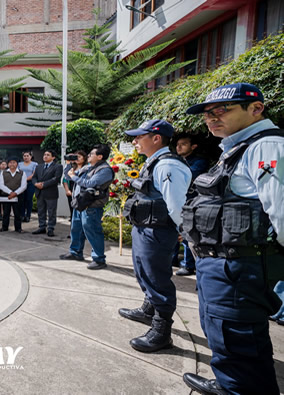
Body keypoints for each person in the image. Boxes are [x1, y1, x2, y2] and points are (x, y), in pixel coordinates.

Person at [180, 83, 284, 395]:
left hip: (240, 267)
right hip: (223, 266)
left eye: (222, 110)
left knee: (239, 340)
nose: (211, 118)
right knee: (224, 335)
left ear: (256, 109)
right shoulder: (237, 148)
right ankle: (229, 384)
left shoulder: (267, 147)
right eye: (208, 114)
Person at [118, 120, 192, 353]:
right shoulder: (155, 162)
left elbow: (177, 205)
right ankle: (148, 309)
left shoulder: (168, 166)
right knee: (144, 272)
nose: (134, 142)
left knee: (157, 278)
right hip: (146, 229)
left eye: (139, 137)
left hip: (157, 231)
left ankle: (161, 332)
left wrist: (184, 233)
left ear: (156, 138)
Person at [59, 144, 114, 270]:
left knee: (93, 232)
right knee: (76, 229)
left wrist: (74, 177)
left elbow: (91, 184)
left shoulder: (104, 170)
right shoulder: (88, 167)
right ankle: (75, 252)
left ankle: (99, 259)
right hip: (80, 203)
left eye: (91, 154)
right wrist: (69, 164)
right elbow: (69, 176)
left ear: (100, 156)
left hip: (92, 205)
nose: (88, 155)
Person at [171, 134, 209, 276]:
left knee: (187, 233)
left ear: (193, 147)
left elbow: (187, 176)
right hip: (177, 200)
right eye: (178, 144)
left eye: (183, 144)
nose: (179, 147)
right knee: (174, 231)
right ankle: (172, 259)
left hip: (191, 202)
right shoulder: (176, 160)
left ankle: (188, 265)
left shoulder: (199, 161)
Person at [31, 149, 63, 237]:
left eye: (48, 155)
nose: (45, 156)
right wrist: (36, 184)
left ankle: (50, 228)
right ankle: (42, 227)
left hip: (50, 193)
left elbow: (56, 179)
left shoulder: (58, 166)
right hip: (40, 192)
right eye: (44, 154)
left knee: (51, 212)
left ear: (53, 157)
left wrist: (44, 185)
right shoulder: (39, 166)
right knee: (41, 211)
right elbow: (34, 177)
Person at [0, 157, 27, 233]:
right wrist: (10, 192)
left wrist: (15, 193)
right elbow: (0, 184)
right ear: (8, 164)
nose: (12, 164)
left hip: (18, 196)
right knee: (6, 212)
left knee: (17, 213)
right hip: (6, 196)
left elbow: (24, 186)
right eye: (10, 162)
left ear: (17, 164)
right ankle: (4, 227)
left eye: (14, 162)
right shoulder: (3, 173)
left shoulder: (22, 173)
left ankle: (18, 228)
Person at [62, 151, 87, 238]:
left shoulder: (86, 168)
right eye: (76, 157)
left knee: (83, 214)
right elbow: (66, 177)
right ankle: (74, 232)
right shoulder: (73, 168)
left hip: (82, 193)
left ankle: (83, 233)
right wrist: (68, 163)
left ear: (84, 158)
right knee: (73, 213)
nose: (77, 158)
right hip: (73, 192)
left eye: (79, 157)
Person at [18, 151, 38, 223]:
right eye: (24, 156)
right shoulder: (19, 164)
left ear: (31, 156)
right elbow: (18, 173)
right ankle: (22, 215)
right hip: (21, 183)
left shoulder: (34, 164)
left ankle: (28, 215)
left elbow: (34, 174)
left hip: (30, 183)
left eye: (27, 156)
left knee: (29, 200)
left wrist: (25, 179)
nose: (26, 157)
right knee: (22, 199)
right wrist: (22, 180)